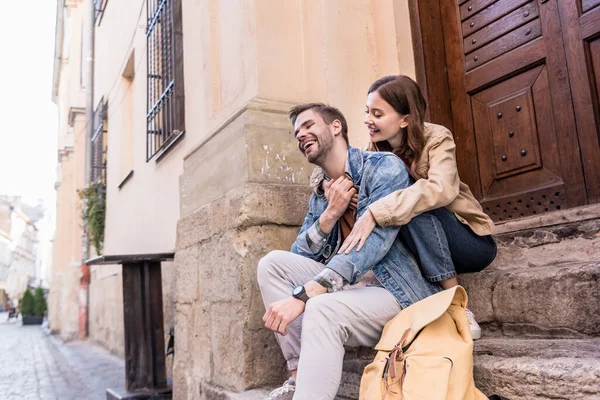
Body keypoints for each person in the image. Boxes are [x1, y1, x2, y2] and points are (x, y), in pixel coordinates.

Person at [257, 103, 441, 400]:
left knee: (320, 307)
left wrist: (307, 293)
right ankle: (299, 375)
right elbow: (298, 254)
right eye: (296, 132)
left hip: (395, 289)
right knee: (272, 264)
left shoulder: (383, 167)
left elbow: (373, 244)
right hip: (349, 286)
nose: (300, 135)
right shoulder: (321, 194)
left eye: (307, 125)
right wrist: (330, 214)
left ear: (335, 127)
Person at [338, 75, 497, 339]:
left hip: (470, 244)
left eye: (377, 114)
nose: (368, 119)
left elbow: (441, 189)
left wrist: (378, 211)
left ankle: (456, 305)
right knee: (392, 207)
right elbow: (338, 168)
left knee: (409, 207)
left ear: (405, 119)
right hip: (424, 250)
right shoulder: (374, 151)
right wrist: (339, 191)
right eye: (367, 112)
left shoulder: (436, 137)